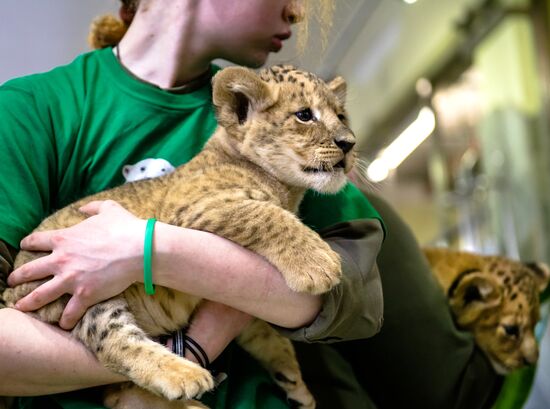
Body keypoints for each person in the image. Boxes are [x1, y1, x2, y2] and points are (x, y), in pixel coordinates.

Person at [0, 1, 502, 408]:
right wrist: (173, 353)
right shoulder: (33, 110)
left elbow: (346, 299)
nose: (298, 11)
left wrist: (149, 249)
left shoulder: (284, 115)